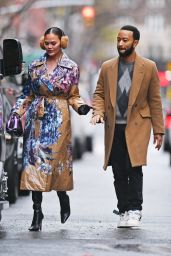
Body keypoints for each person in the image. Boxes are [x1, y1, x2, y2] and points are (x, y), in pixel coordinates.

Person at [8, 27, 91, 231]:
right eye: (47, 43)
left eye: (54, 43)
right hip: (37, 119)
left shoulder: (71, 67)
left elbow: (73, 94)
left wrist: (80, 106)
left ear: (62, 42)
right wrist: (16, 113)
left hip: (59, 120)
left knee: (56, 165)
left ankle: (63, 198)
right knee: (34, 164)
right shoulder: (35, 66)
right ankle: (37, 213)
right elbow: (27, 94)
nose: (50, 46)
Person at [90, 25, 164, 228]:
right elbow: (99, 94)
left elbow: (155, 100)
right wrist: (98, 112)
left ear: (135, 43)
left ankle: (135, 210)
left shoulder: (148, 67)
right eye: (118, 40)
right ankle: (123, 209)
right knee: (118, 171)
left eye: (125, 40)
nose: (121, 44)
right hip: (114, 127)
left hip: (138, 126)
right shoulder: (107, 67)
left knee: (134, 168)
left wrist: (159, 130)